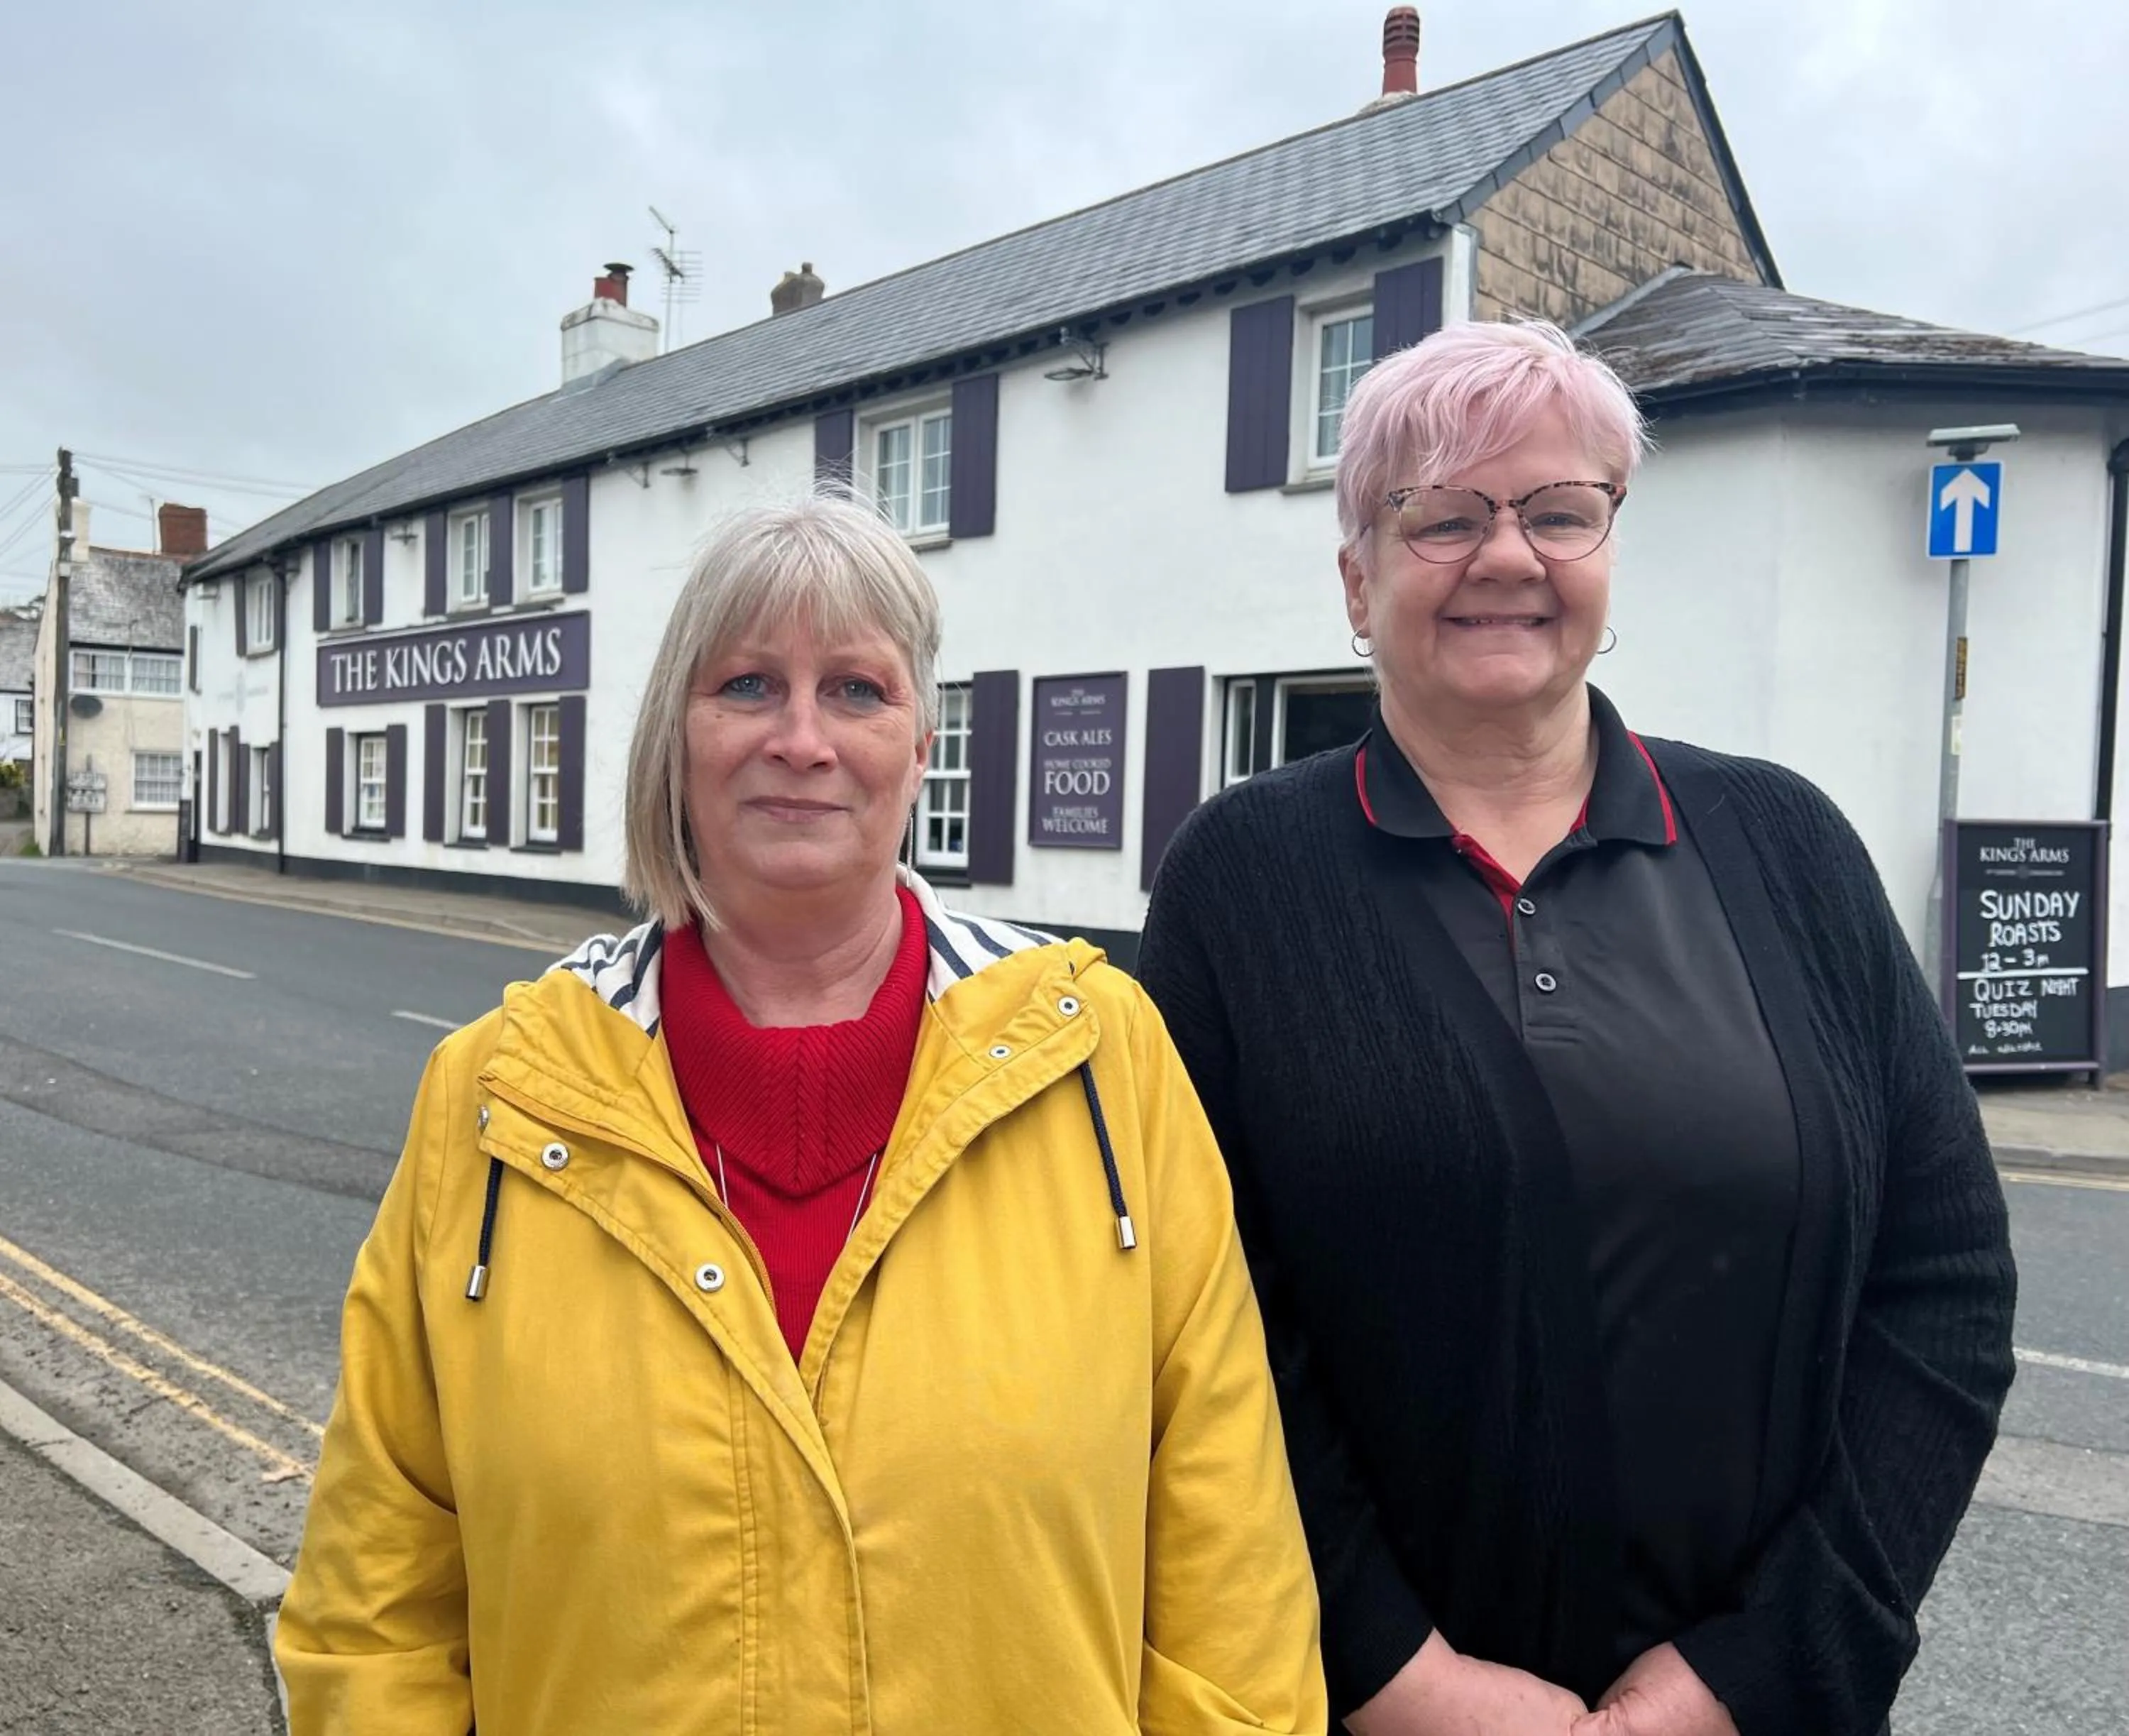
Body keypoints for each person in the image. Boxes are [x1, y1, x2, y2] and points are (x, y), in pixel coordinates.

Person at [275, 495, 1328, 1735]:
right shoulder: (493, 1096)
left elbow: (1231, 1569)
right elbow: (377, 1598)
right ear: (677, 734)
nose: (802, 738)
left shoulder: (1107, 1061)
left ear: (922, 743)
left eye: (858, 691)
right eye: (747, 685)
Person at [1137, 321, 2016, 1736]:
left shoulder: (1785, 843)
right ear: (1356, 580)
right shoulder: (1241, 879)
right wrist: (1386, 1666)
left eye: (1560, 510)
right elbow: (1197, 1322)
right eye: (1443, 516)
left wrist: (1761, 1666)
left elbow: (1948, 1286)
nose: (1508, 556)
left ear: (1610, 550)